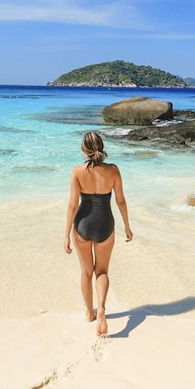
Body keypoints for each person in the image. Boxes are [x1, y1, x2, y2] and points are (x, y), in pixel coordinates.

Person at [64, 131, 133, 336]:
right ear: (101, 146)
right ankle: (101, 307)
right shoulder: (113, 171)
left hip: (83, 225)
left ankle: (89, 313)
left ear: (84, 150)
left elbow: (72, 205)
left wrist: (66, 234)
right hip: (105, 224)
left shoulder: (77, 172)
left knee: (86, 272)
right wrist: (127, 227)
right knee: (101, 271)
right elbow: (121, 200)